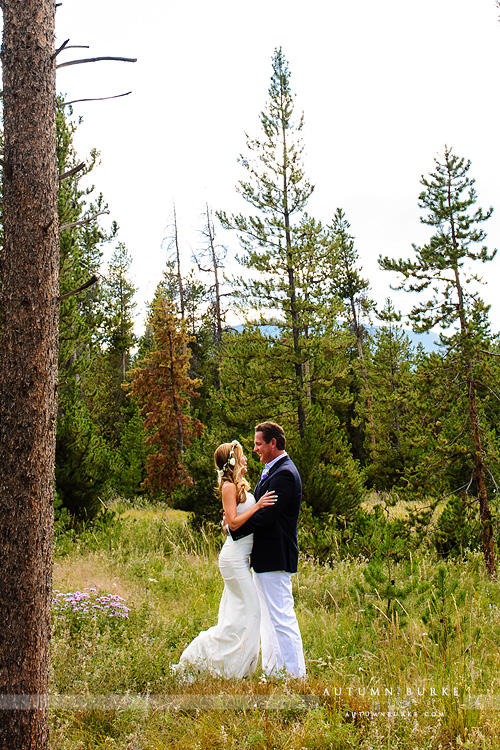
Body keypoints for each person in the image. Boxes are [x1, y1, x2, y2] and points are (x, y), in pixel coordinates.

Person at [173, 440, 277, 679]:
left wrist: (244, 514)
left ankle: (236, 667)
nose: (246, 459)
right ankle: (205, 658)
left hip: (240, 559)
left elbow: (228, 524)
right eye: (242, 456)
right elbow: (232, 522)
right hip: (233, 560)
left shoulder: (237, 486)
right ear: (233, 460)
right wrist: (258, 506)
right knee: (252, 612)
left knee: (237, 617)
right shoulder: (229, 486)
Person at [230, 421, 306, 679]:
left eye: (259, 444)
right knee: (268, 619)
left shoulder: (284, 473)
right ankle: (274, 671)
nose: (254, 449)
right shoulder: (272, 470)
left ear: (273, 443)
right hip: (265, 558)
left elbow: (267, 516)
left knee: (282, 617)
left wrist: (234, 528)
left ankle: (295, 676)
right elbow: (259, 510)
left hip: (276, 556)